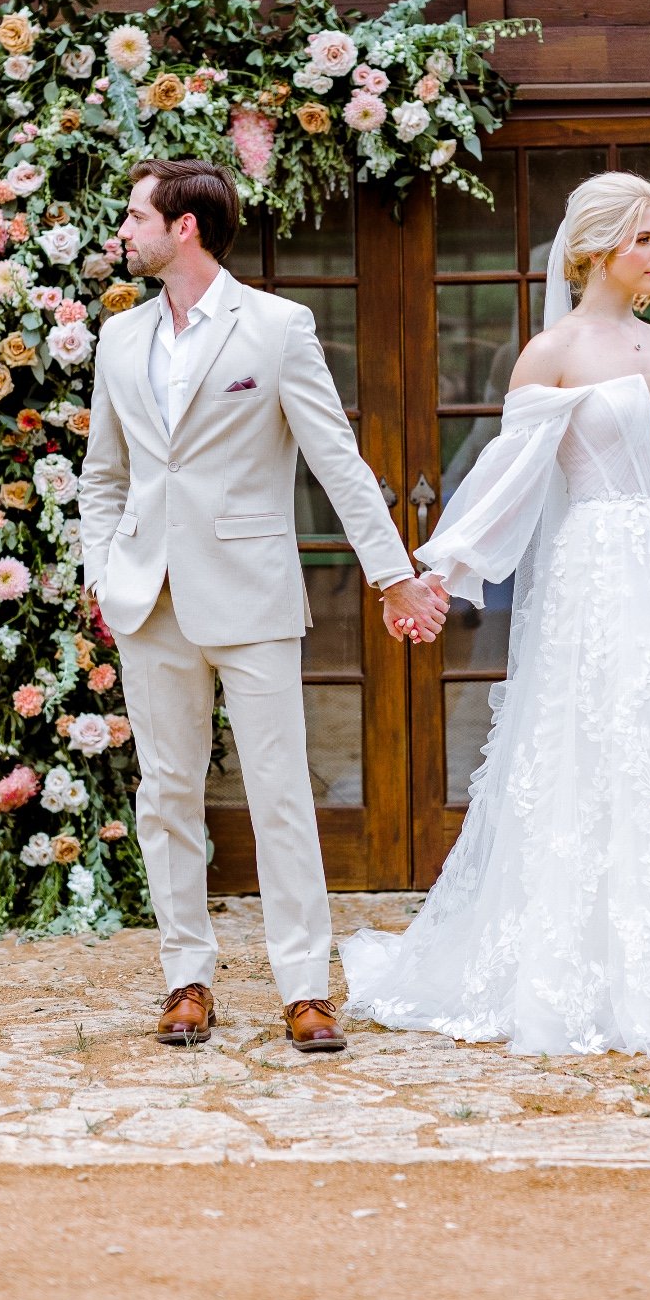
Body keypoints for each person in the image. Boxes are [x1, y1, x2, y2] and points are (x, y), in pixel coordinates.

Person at [341, 172, 650, 1057]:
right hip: (598, 576)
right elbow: (505, 479)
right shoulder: (550, 354)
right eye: (646, 238)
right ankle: (579, 968)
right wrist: (441, 570)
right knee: (595, 747)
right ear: (598, 246)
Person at [79, 159, 447, 1051]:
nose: (123, 232)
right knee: (166, 793)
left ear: (185, 228)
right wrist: (102, 570)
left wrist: (394, 574)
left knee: (279, 793)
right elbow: (103, 475)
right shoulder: (120, 340)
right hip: (147, 598)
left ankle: (304, 988)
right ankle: (186, 977)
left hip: (251, 593)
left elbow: (337, 461)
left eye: (136, 217)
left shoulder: (278, 328)